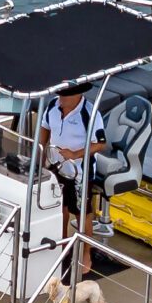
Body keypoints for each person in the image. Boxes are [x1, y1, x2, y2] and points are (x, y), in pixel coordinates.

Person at [37, 81, 106, 248]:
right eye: (59, 94)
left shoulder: (90, 114)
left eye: (64, 95)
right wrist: (39, 153)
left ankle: (86, 255)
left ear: (77, 95)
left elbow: (100, 143)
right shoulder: (53, 105)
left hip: (79, 172)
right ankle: (61, 246)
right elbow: (45, 127)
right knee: (60, 209)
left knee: (82, 213)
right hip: (56, 167)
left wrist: (75, 154)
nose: (60, 98)